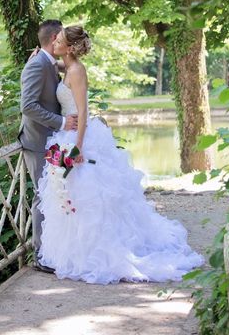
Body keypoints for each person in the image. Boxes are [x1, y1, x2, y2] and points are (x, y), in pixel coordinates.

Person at [37, 25, 204, 284]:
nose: (54, 43)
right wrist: (42, 59)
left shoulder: (77, 71)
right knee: (72, 197)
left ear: (69, 48)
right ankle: (77, 254)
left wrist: (78, 147)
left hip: (78, 138)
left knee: (88, 196)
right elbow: (61, 70)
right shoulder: (69, 67)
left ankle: (97, 254)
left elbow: (83, 112)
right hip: (68, 136)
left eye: (58, 40)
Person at [18, 20, 78, 272]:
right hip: (38, 142)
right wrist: (62, 122)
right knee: (43, 195)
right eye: (62, 36)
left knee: (58, 194)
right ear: (54, 37)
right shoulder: (37, 64)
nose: (65, 40)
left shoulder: (48, 62)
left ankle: (57, 250)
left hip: (53, 141)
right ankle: (41, 256)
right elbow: (28, 106)